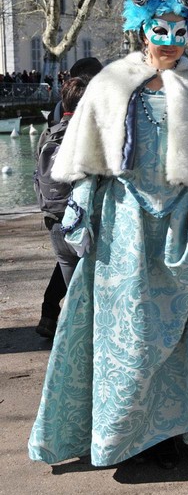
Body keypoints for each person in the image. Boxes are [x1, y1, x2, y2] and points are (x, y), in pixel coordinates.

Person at [28, 0, 188, 470]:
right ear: (143, 26)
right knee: (127, 333)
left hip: (184, 224)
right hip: (123, 225)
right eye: (160, 27)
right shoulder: (111, 82)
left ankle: (168, 433)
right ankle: (121, 432)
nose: (169, 38)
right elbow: (89, 157)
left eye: (179, 29)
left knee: (183, 333)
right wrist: (80, 206)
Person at [37, 59, 103, 339]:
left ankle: (50, 315)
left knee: (70, 273)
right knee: (89, 291)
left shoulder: (51, 127)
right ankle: (72, 334)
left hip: (54, 218)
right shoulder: (89, 126)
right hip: (80, 218)